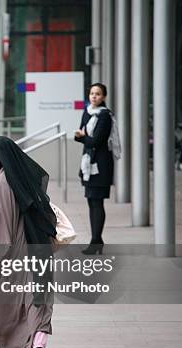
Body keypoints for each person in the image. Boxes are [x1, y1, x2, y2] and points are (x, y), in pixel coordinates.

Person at [0, 136, 57, 348]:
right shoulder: (25, 173)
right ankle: (38, 346)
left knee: (9, 303)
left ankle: (9, 344)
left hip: (16, 251)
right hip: (39, 245)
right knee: (37, 299)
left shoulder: (2, 182)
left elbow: (1, 227)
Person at [74, 83, 114, 255]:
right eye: (91, 94)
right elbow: (83, 136)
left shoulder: (105, 116)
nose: (94, 97)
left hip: (101, 165)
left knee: (97, 203)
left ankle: (95, 241)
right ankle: (97, 240)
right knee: (92, 202)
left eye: (98, 94)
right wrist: (83, 138)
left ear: (104, 97)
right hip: (88, 163)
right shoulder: (88, 111)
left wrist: (83, 138)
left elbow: (96, 141)